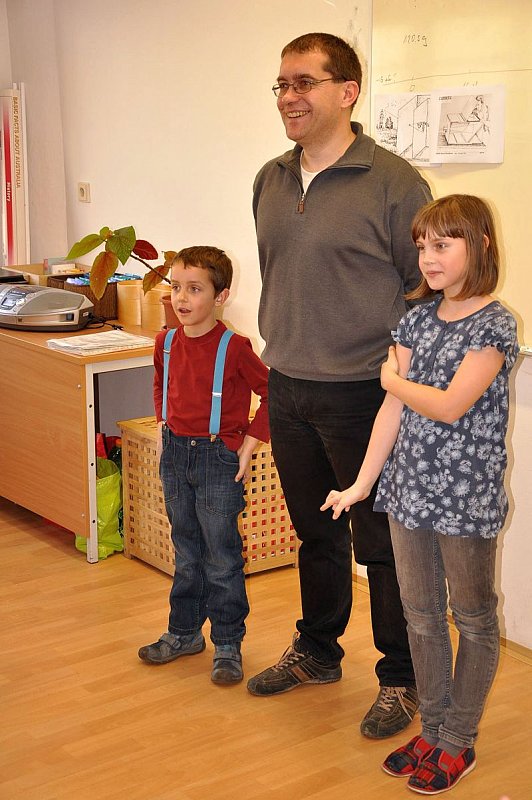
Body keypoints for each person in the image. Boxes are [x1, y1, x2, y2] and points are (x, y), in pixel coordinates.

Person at [246, 31, 433, 740]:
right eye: (282, 84)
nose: (288, 97)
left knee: (381, 544)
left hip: (364, 395)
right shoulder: (269, 178)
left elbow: (423, 286)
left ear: (347, 91)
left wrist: (401, 377)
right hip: (288, 384)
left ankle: (402, 678)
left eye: (304, 82)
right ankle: (319, 652)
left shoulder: (394, 183)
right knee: (314, 534)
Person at [322, 194, 519, 794]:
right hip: (408, 493)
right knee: (422, 615)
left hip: (465, 497)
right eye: (422, 247)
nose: (428, 258)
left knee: (474, 619)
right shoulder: (415, 319)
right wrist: (361, 484)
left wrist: (392, 379)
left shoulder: (495, 324)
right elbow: (393, 411)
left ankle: (459, 739)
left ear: (479, 245)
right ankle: (432, 730)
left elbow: (451, 404)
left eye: (442, 245)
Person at [138, 246, 269, 684]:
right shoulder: (165, 342)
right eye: (176, 287)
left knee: (221, 557)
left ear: (221, 296)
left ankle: (228, 643)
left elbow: (272, 393)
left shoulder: (235, 348)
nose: (181, 298)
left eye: (194, 289)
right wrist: (163, 425)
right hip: (175, 456)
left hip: (217, 459)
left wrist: (248, 445)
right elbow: (160, 384)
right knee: (186, 551)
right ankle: (184, 633)